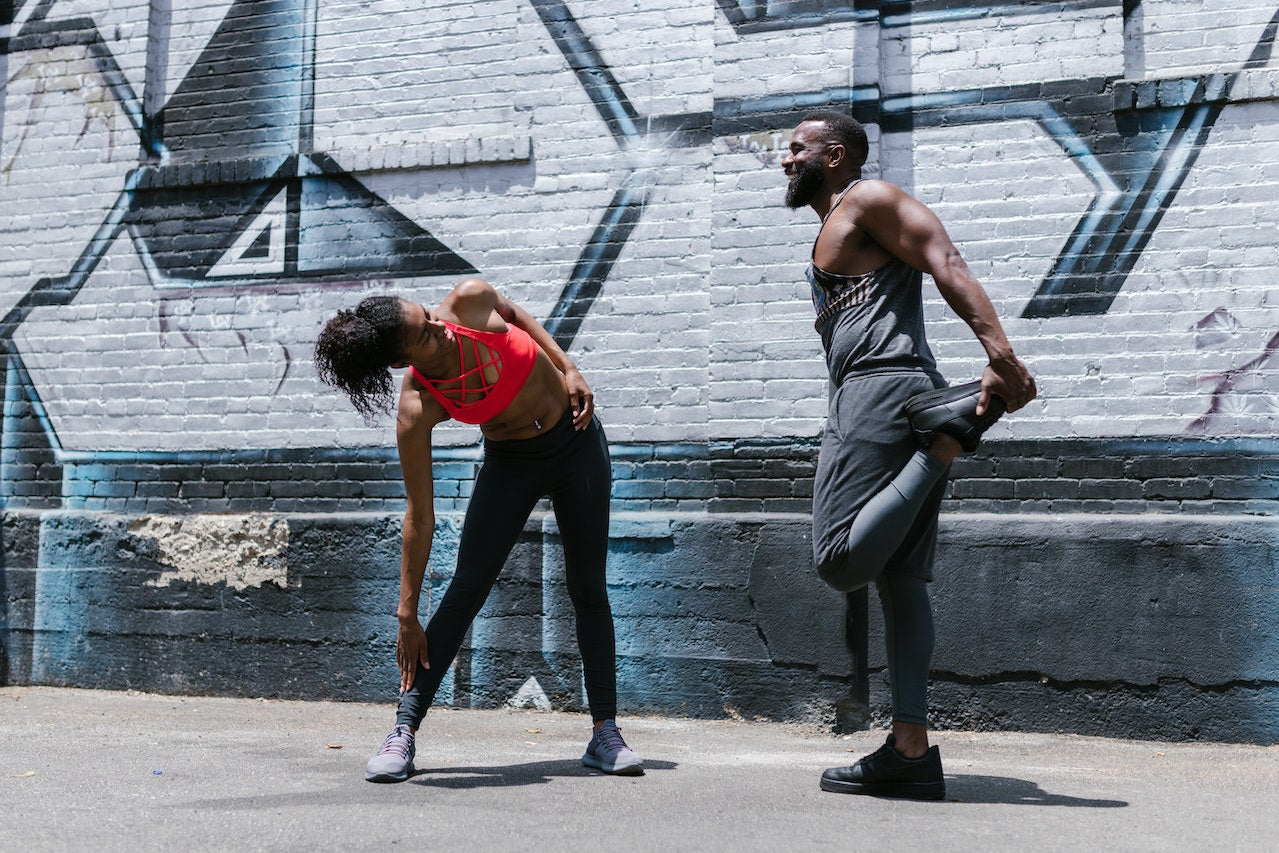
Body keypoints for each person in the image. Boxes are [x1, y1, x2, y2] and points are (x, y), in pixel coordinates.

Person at [780, 111, 1037, 800]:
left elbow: (941, 256)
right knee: (901, 582)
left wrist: (999, 352)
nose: (784, 160)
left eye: (796, 149)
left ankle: (947, 441)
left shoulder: (864, 199)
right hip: (906, 392)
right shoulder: (842, 221)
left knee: (838, 558)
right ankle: (909, 748)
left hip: (876, 393)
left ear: (835, 155)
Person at [313, 278, 643, 782]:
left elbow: (513, 313)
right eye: (424, 335)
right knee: (466, 588)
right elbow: (419, 516)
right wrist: (406, 613)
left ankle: (605, 733)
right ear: (403, 362)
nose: (439, 329)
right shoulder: (419, 405)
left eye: (428, 315)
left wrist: (568, 367)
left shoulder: (467, 301)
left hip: (577, 445)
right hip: (511, 464)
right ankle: (403, 731)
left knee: (588, 589)